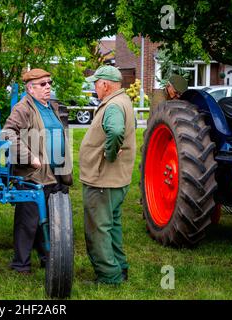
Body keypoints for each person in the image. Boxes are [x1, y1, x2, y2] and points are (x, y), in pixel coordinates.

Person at [2, 68, 73, 274]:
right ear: (30, 88)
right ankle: (21, 264)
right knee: (28, 221)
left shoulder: (50, 106)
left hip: (56, 171)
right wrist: (30, 158)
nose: (48, 86)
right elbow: (7, 133)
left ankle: (47, 257)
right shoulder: (23, 108)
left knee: (52, 218)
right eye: (43, 84)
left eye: (49, 82)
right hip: (35, 175)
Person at [79, 65, 136, 284]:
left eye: (96, 83)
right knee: (112, 225)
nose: (94, 87)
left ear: (105, 84)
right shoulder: (122, 101)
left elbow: (115, 131)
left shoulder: (113, 106)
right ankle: (120, 268)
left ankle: (108, 276)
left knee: (98, 228)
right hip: (114, 180)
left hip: (103, 179)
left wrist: (109, 154)